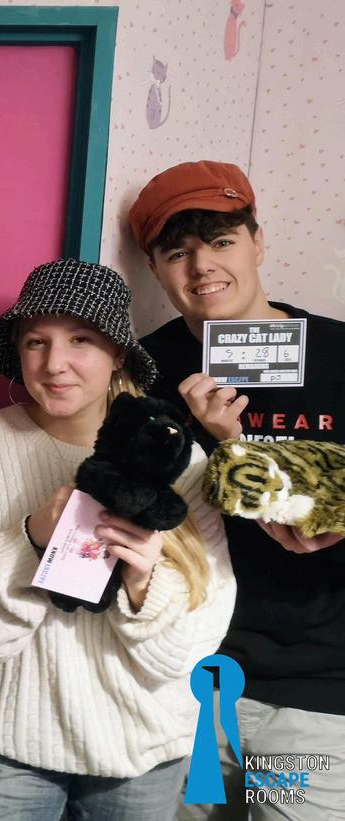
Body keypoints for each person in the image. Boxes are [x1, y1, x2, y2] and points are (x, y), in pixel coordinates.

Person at [0, 258, 235, 821]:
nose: (55, 364)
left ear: (118, 353)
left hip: (144, 753)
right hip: (6, 749)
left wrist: (145, 583)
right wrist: (30, 540)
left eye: (81, 340)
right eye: (36, 342)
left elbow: (195, 641)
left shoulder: (178, 455)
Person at [129, 160, 345, 819]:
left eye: (221, 242)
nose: (202, 268)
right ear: (155, 268)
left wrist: (236, 442)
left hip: (309, 698)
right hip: (182, 690)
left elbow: (317, 520)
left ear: (258, 242)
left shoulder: (335, 354)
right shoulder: (143, 370)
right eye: (177, 253)